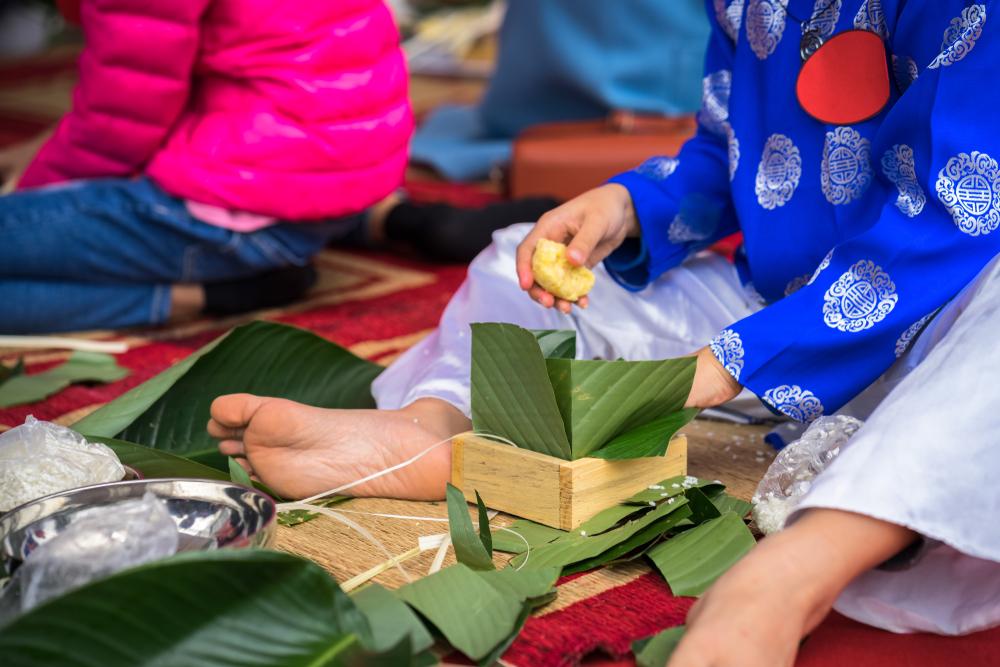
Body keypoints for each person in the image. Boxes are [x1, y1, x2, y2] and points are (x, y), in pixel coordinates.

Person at [208, 1, 1000, 664]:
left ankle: (797, 568)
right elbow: (727, 158)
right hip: (775, 314)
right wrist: (626, 208)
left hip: (946, 345)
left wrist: (727, 365)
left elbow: (955, 221)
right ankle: (434, 426)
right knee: (511, 260)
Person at [0, 0, 411, 333]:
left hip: (246, 206)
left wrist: (33, 198)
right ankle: (381, 221)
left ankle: (197, 296)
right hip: (337, 176)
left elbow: (118, 124)